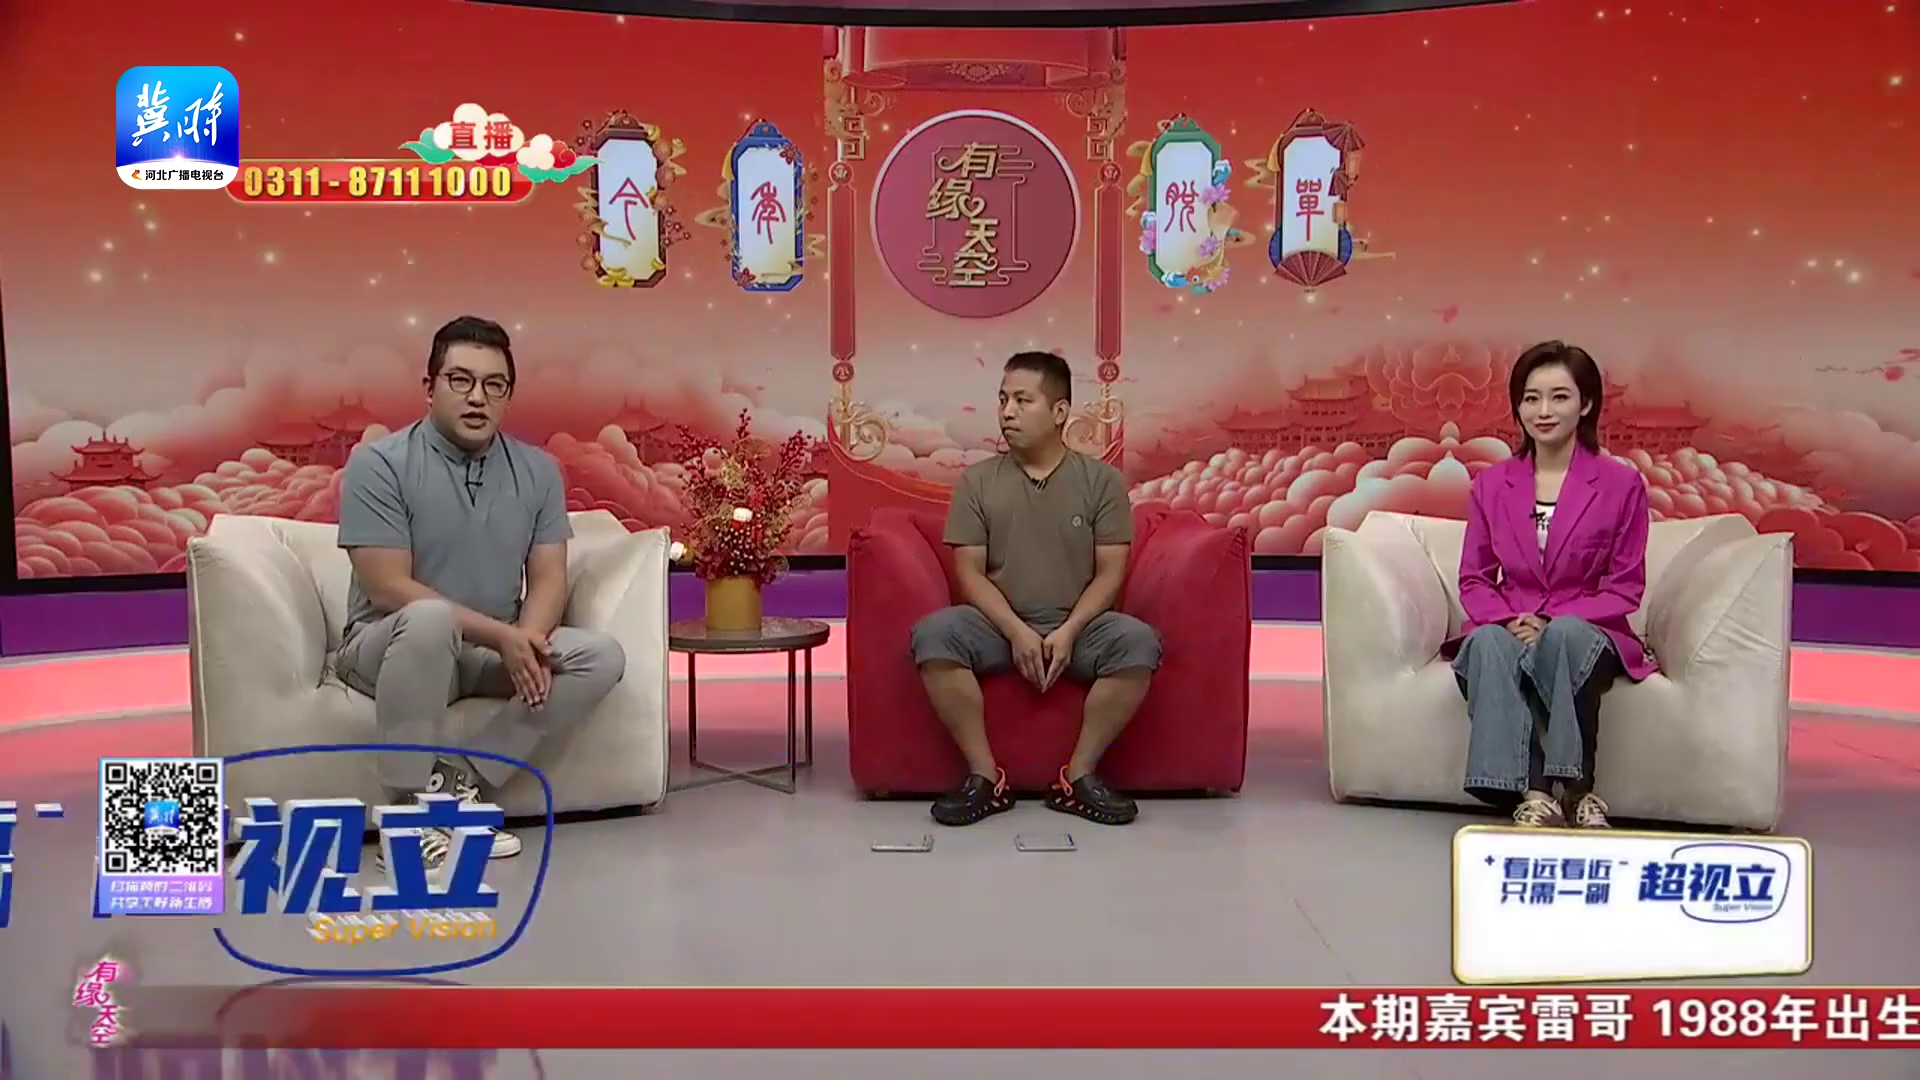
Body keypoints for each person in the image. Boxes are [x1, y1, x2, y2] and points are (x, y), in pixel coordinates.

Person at [334, 316, 626, 868]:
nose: (477, 398)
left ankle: (457, 786)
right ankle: (407, 815)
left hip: (488, 652)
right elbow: (388, 587)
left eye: (495, 385)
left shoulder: (538, 471)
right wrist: (503, 637)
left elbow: (548, 577)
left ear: (508, 395)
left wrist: (528, 641)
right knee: (428, 619)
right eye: (460, 380)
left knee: (599, 656)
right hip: (391, 646)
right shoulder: (379, 464)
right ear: (429, 387)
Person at [910, 352, 1163, 827]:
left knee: (1137, 642)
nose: (1007, 412)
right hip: (996, 624)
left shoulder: (1102, 482)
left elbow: (1110, 573)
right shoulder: (977, 482)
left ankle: (1078, 777)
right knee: (934, 635)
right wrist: (1016, 631)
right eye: (1003, 400)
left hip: (1078, 626)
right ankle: (986, 778)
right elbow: (969, 573)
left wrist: (1069, 631)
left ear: (1060, 412)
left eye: (1023, 401)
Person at [1452, 341, 1657, 829]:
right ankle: (1536, 794)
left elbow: (1624, 587)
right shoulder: (1491, 485)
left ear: (1586, 404)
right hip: (1514, 622)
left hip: (1588, 629)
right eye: (1531, 398)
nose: (1543, 411)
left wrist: (1553, 621)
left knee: (1564, 635)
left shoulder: (1621, 485)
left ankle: (1577, 790)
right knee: (1486, 643)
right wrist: (1510, 621)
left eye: (1559, 397)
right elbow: (1475, 578)